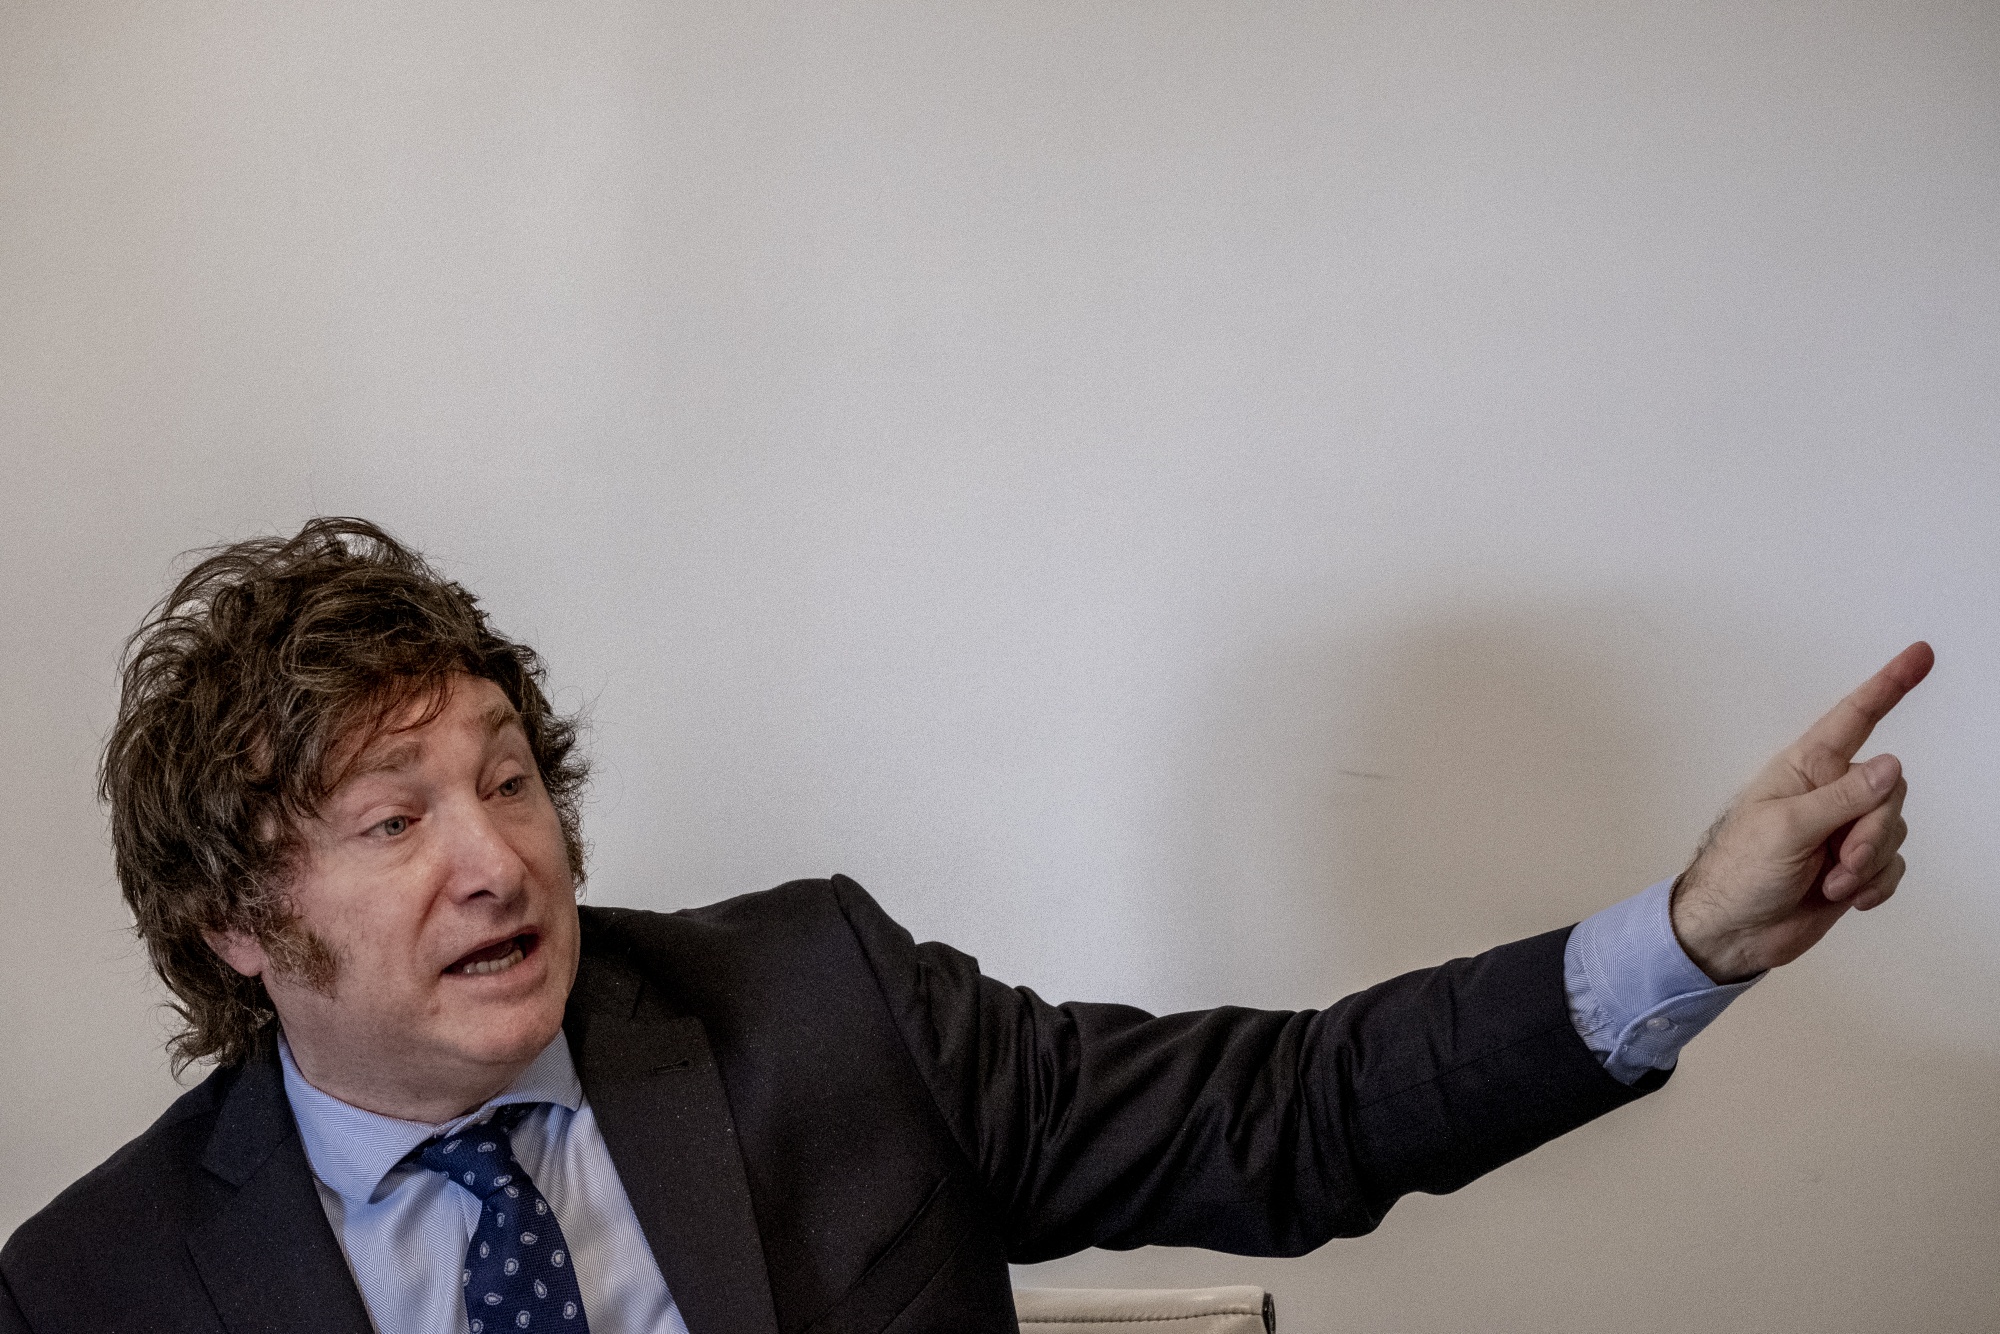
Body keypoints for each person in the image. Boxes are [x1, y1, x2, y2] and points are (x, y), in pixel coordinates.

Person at [0, 518, 1928, 1334]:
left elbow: (1292, 1112)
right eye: (393, 819)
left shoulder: (818, 1004)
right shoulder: (92, 1289)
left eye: (509, 779)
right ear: (235, 918)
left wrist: (1691, 934)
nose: (497, 858)